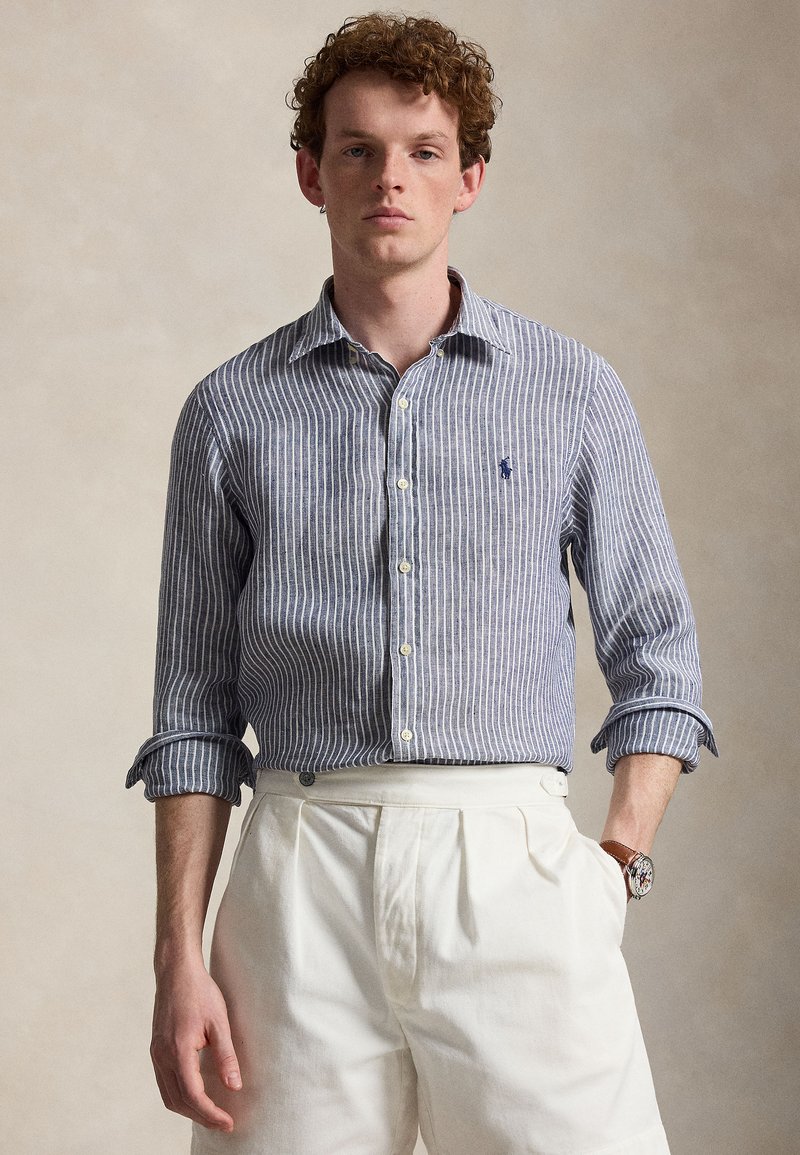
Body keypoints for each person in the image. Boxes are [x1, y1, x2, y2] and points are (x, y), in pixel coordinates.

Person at [126, 12, 718, 1154]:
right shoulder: (230, 411)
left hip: (512, 865)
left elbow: (659, 657)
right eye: (357, 149)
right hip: (297, 878)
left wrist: (612, 868)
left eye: (423, 150)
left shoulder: (570, 391)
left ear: (469, 178)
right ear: (312, 173)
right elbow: (192, 712)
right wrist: (177, 958)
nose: (388, 178)